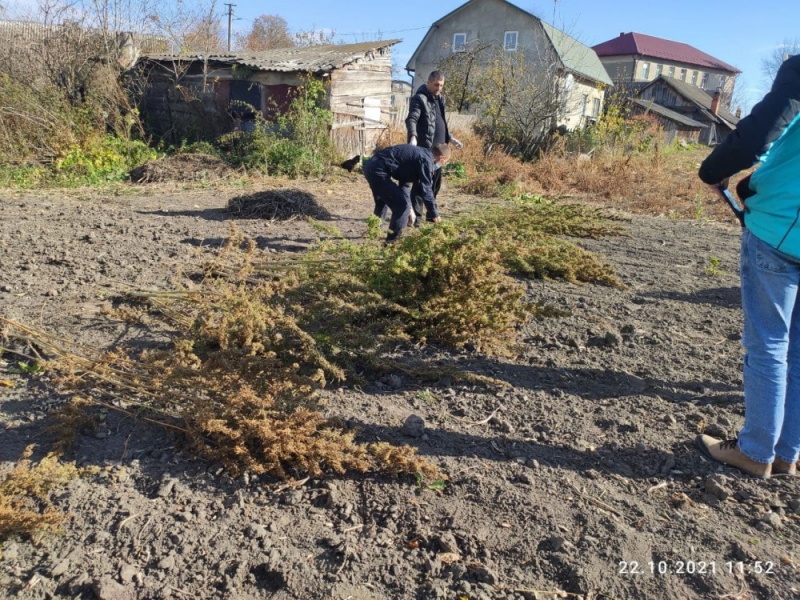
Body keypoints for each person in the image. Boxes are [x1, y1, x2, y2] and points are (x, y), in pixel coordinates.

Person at [696, 54, 800, 479]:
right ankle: (786, 454)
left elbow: (761, 131)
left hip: (781, 226)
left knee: (769, 344)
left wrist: (713, 171)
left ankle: (756, 450)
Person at [405, 71, 463, 224]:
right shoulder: (419, 99)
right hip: (425, 149)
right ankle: (415, 219)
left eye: (441, 85)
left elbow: (439, 123)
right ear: (428, 82)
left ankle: (431, 215)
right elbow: (412, 119)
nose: (439, 88)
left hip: (440, 151)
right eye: (436, 85)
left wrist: (450, 138)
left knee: (435, 184)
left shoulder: (440, 99)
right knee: (420, 185)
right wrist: (413, 136)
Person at [363, 143, 451, 242]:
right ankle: (392, 243)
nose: (440, 165)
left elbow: (405, 185)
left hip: (371, 166)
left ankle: (373, 234)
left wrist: (410, 209)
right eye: (443, 163)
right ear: (442, 158)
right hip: (377, 171)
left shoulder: (419, 155)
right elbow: (426, 190)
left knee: (384, 201)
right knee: (401, 207)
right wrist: (435, 215)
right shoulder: (426, 160)